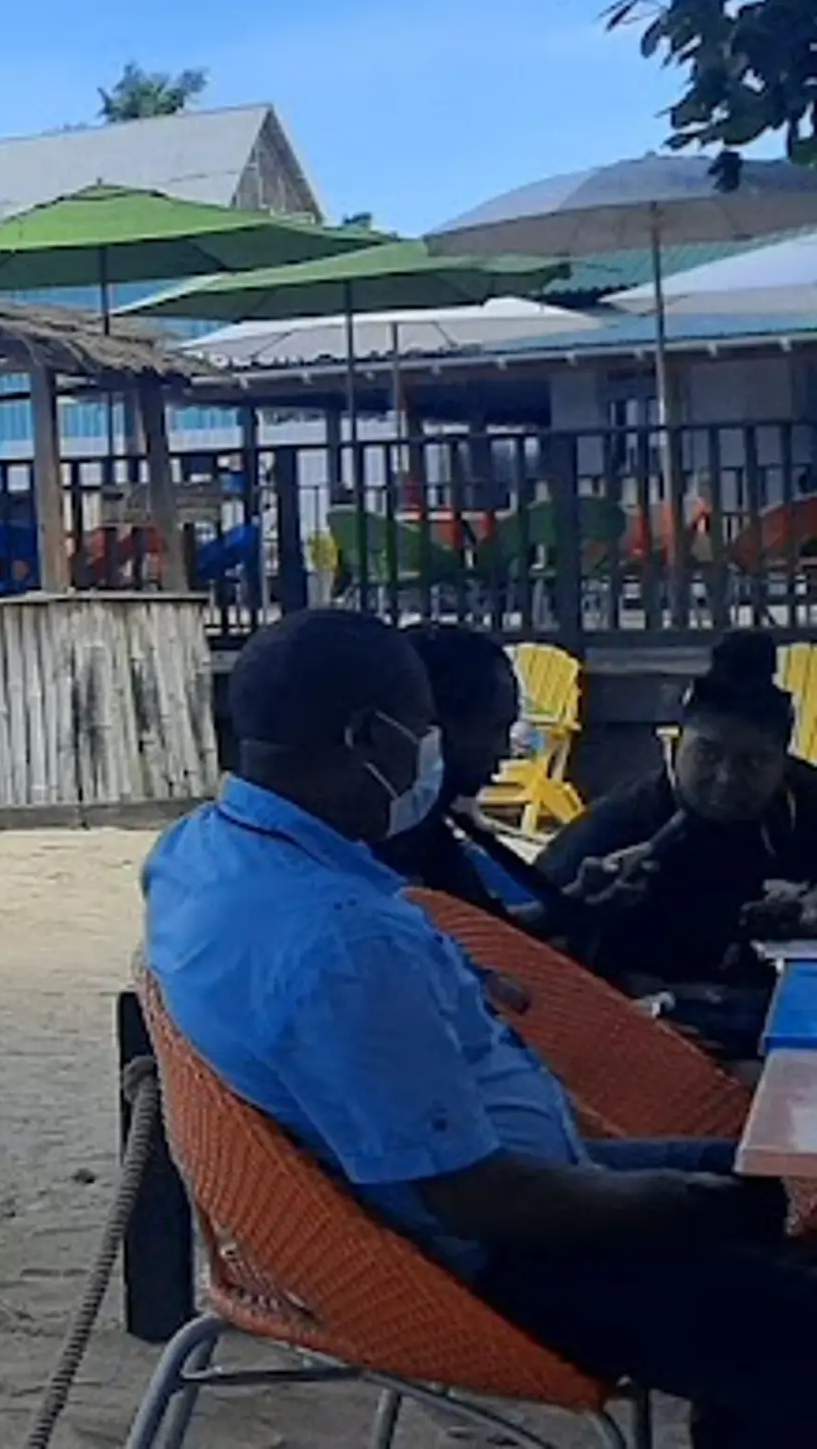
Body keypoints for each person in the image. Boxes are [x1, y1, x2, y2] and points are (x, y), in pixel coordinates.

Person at [145, 608, 812, 1443]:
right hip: (496, 1258)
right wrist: (679, 1202)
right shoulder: (342, 939)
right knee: (782, 1279)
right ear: (370, 736)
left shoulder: (204, 850)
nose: (452, 750)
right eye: (428, 727)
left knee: (778, 1197)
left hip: (487, 1190)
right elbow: (480, 1199)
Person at [540, 630, 817, 1060]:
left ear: (785, 763)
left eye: (753, 763)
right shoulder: (618, 830)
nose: (726, 778)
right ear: (673, 746)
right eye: (708, 755)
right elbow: (535, 957)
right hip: (655, 1041)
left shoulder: (805, 803)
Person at [370, 622, 568, 925]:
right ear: (436, 724)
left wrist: (570, 907)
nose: (505, 750)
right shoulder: (396, 845)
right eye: (494, 729)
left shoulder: (428, 831)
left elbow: (485, 935)